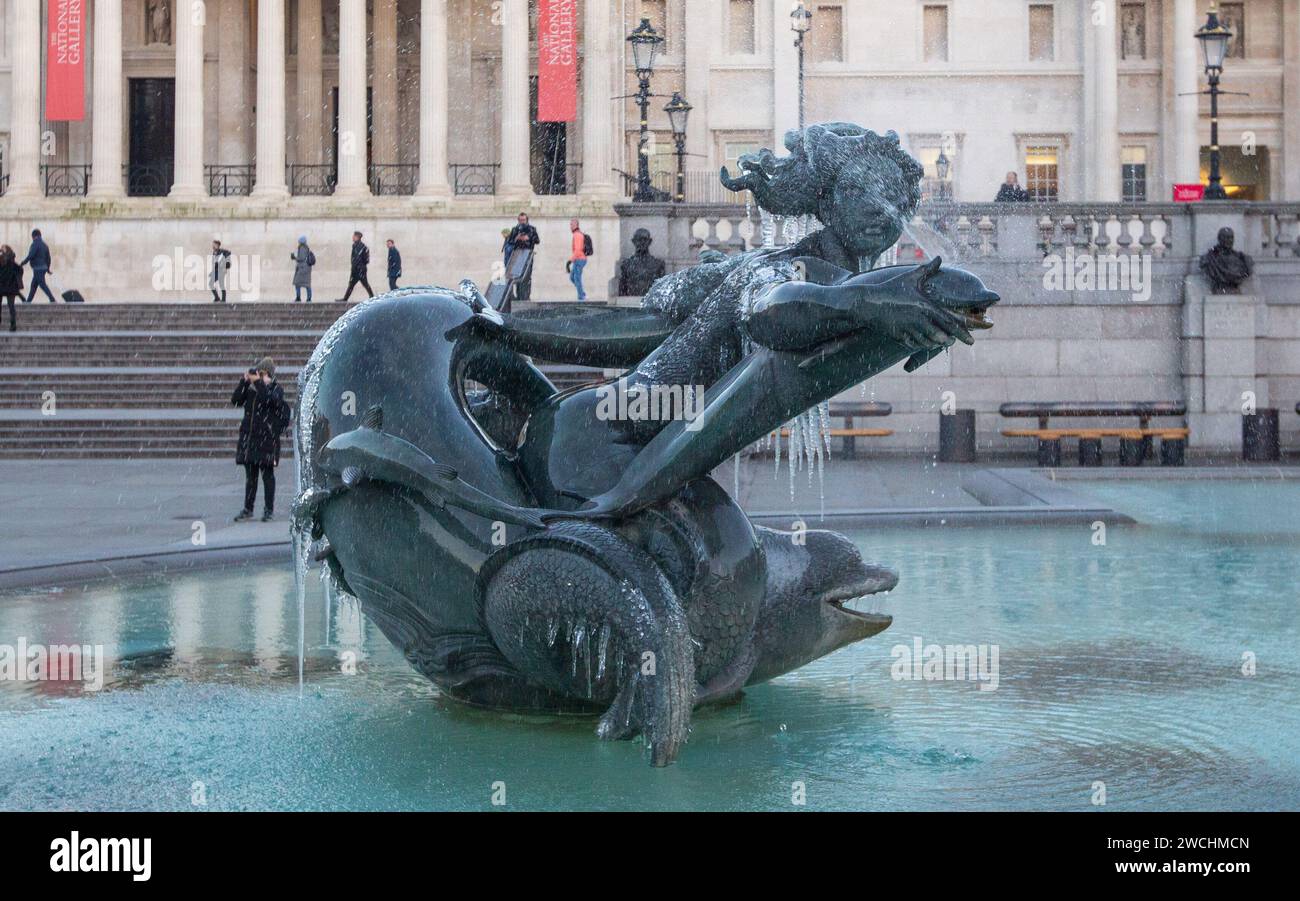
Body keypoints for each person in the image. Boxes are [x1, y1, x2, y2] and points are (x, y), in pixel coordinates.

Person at [231, 358, 289, 522]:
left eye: (262, 374)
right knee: (251, 478)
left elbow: (268, 399)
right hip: (250, 439)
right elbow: (235, 400)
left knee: (268, 476)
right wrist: (244, 382)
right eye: (258, 373)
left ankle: (268, 510)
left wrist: (259, 384)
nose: (259, 377)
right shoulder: (251, 390)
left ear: (269, 375)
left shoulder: (276, 389)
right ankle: (248, 509)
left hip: (267, 440)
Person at [503, 212, 540, 302]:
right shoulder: (515, 229)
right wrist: (517, 238)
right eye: (520, 220)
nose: (522, 222)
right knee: (517, 276)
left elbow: (537, 240)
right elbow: (510, 242)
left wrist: (529, 238)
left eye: (524, 220)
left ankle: (526, 297)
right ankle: (518, 297)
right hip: (517, 256)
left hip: (527, 256)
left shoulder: (532, 229)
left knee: (527, 277)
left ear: (527, 220)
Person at [19, 229, 55, 303]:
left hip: (38, 268)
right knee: (34, 285)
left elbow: (31, 255)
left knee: (42, 284)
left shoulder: (35, 244)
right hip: (43, 267)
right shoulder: (45, 245)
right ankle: (28, 301)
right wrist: (48, 268)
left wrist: (23, 263)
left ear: (33, 236)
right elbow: (48, 258)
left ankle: (52, 299)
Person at [338, 231, 373, 302]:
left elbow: (366, 260)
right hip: (355, 269)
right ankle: (345, 298)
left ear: (357, 237)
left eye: (354, 236)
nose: (352, 237)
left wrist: (359, 265)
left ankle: (372, 296)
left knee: (365, 284)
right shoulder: (355, 246)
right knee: (351, 284)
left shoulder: (362, 247)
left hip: (360, 269)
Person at [0, 245, 23, 332]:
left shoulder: (1, 259)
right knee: (11, 306)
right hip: (11, 288)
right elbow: (21, 270)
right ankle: (13, 325)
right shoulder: (13, 263)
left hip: (1, 286)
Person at [567, 218, 588, 301]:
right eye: (570, 225)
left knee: (576, 278)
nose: (570, 226)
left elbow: (578, 250)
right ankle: (582, 293)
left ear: (576, 225)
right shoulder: (577, 234)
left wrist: (570, 260)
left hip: (580, 259)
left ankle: (581, 297)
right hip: (578, 259)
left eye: (571, 224)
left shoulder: (577, 235)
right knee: (572, 277)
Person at [291, 236, 316, 302]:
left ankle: (298, 297)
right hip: (306, 268)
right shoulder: (306, 248)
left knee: (297, 283)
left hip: (302, 268)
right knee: (307, 284)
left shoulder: (302, 248)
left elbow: (301, 258)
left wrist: (294, 258)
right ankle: (309, 298)